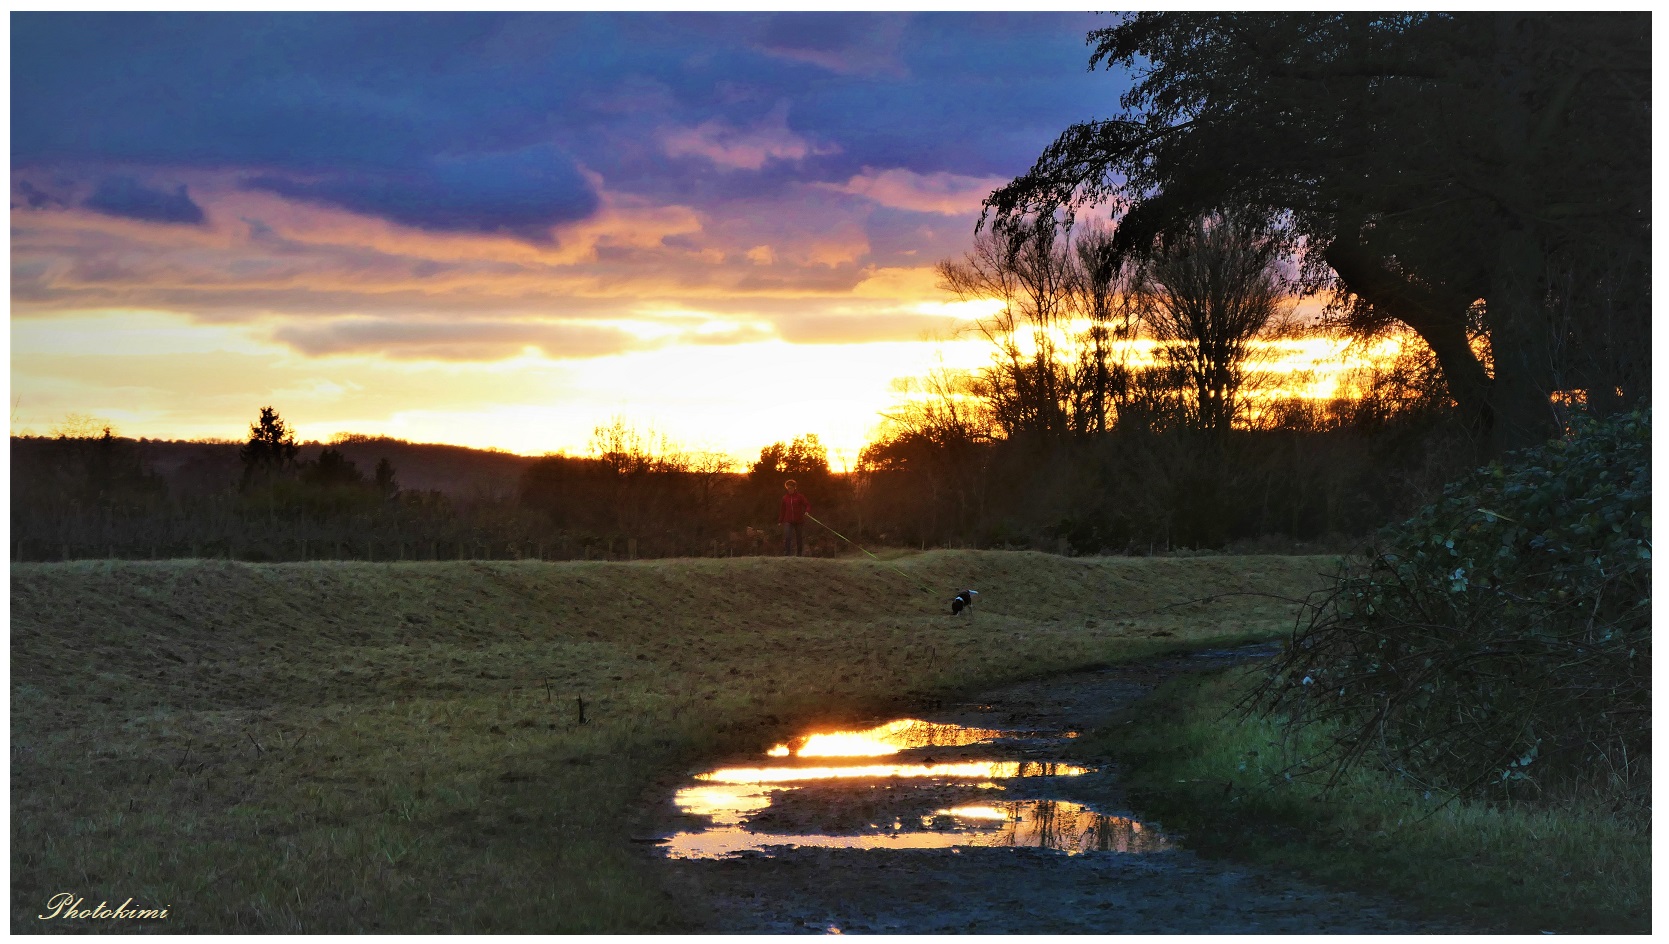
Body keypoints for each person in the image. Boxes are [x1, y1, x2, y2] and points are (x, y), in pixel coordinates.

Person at [779, 479, 810, 556]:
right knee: (787, 537)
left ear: (794, 488)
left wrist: (807, 511)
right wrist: (780, 520)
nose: (789, 490)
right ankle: (787, 554)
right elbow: (783, 510)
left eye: (791, 488)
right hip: (788, 520)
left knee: (799, 538)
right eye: (788, 488)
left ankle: (799, 555)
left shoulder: (800, 497)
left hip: (799, 520)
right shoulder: (785, 498)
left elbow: (807, 505)